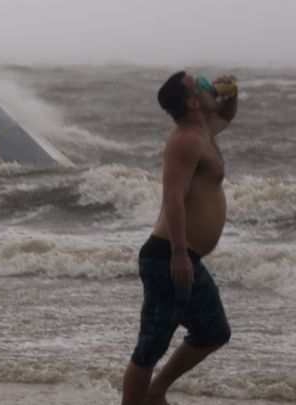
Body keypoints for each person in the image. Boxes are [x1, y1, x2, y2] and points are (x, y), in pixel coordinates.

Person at [121, 71, 238, 405]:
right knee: (149, 347)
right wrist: (178, 255)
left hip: (187, 258)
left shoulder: (205, 131)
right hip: (168, 258)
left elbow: (227, 114)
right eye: (201, 85)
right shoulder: (184, 141)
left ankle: (156, 392)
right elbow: (172, 198)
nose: (207, 85)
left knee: (214, 332)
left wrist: (232, 94)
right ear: (192, 101)